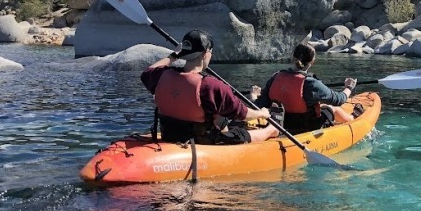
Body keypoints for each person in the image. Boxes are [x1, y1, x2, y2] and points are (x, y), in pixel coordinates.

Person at [141, 29, 280, 145]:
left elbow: (147, 72)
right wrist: (262, 113)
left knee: (221, 118)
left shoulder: (161, 76)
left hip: (170, 136)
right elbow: (243, 114)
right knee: (240, 133)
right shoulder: (211, 85)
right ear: (205, 53)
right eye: (211, 52)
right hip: (203, 143)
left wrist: (174, 56)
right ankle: (271, 130)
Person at [256, 42, 360, 134]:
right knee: (333, 108)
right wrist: (349, 87)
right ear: (312, 62)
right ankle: (352, 118)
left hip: (282, 124)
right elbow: (339, 99)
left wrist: (253, 96)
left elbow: (259, 104)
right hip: (308, 127)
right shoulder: (311, 84)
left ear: (293, 58)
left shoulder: (275, 78)